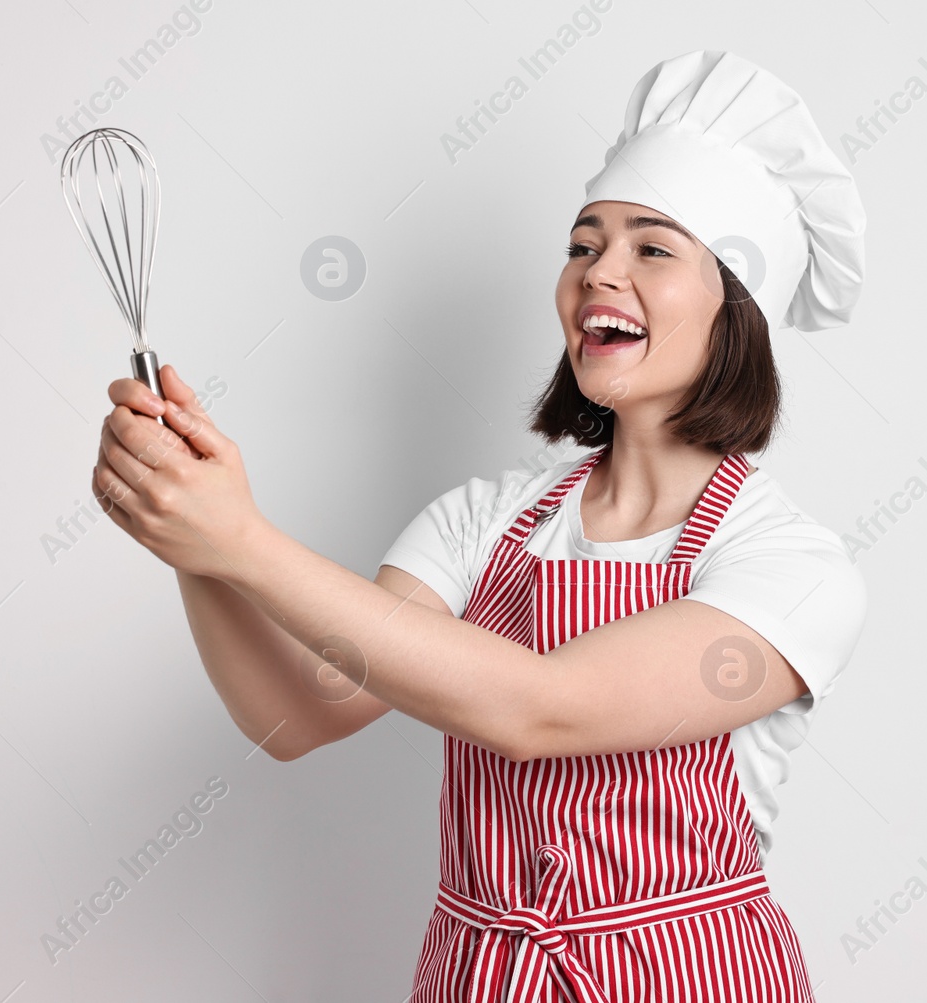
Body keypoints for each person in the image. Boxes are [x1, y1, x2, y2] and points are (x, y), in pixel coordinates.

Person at [92, 49, 868, 1001]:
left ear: (736, 310)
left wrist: (241, 537)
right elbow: (301, 710)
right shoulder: (484, 521)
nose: (597, 273)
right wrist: (192, 539)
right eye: (584, 244)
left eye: (652, 248)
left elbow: (541, 709)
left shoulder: (791, 566)